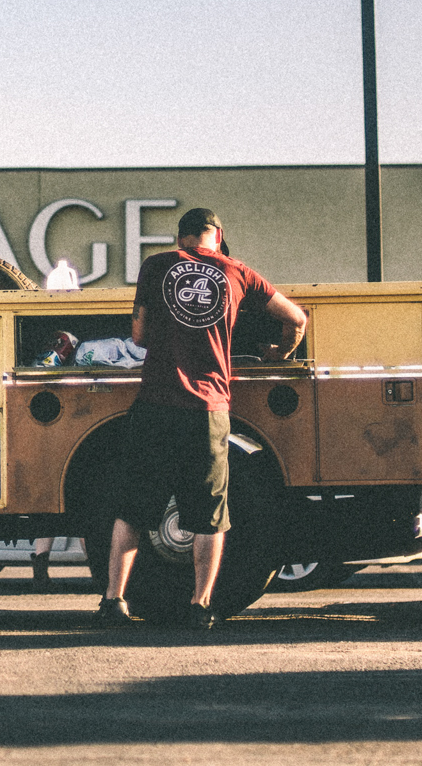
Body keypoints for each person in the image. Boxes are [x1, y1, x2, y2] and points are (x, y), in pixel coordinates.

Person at [98, 207, 308, 630]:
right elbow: (297, 318)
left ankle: (114, 601)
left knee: (134, 510)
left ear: (181, 238)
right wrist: (280, 353)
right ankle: (200, 607)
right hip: (208, 411)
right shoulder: (238, 272)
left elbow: (138, 335)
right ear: (218, 235)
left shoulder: (156, 266)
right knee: (209, 515)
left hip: (156, 405)